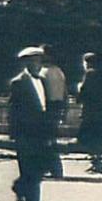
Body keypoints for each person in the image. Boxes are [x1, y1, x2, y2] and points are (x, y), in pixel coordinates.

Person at [9, 46, 53, 201]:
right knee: (30, 169)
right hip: (25, 133)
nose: (38, 65)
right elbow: (13, 110)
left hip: (41, 133)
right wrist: (16, 135)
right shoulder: (18, 83)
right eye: (34, 61)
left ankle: (19, 188)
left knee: (40, 167)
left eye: (39, 61)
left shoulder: (42, 81)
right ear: (26, 63)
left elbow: (45, 107)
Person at [77, 52, 102, 174]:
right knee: (97, 137)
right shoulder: (101, 75)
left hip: (90, 111)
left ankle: (95, 162)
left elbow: (83, 92)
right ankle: (97, 162)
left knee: (89, 137)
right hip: (100, 109)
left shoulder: (89, 74)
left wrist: (79, 90)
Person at [40, 46, 68, 179]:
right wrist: (65, 110)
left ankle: (54, 169)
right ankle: (52, 168)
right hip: (57, 106)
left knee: (45, 139)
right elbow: (65, 93)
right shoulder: (59, 71)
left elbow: (42, 94)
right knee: (50, 138)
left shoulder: (43, 73)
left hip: (48, 107)